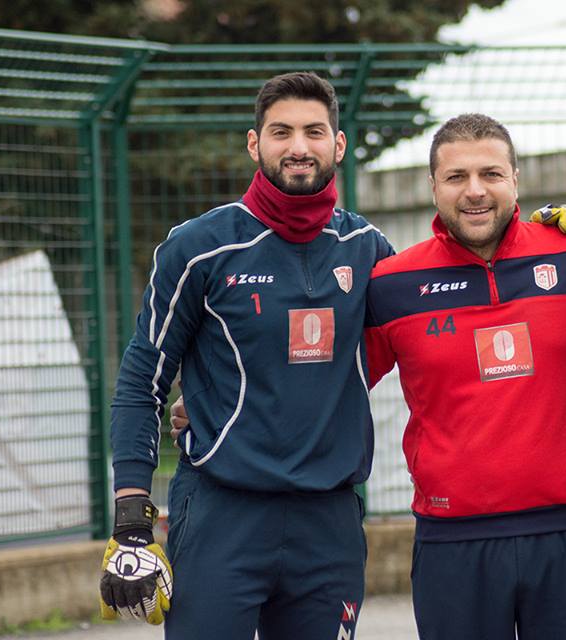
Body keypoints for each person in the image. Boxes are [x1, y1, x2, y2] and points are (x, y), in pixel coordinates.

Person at [99, 71, 394, 640]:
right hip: (221, 513)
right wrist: (132, 514)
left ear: (338, 145)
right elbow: (142, 380)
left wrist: (548, 244)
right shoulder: (198, 247)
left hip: (329, 521)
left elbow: (451, 304)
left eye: (314, 132)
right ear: (255, 144)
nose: (299, 147)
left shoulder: (369, 250)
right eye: (281, 132)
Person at [362, 113, 566, 640]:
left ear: (516, 180)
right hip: (451, 541)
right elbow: (330, 387)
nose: (475, 191)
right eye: (456, 177)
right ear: (433, 186)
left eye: (490, 174)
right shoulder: (392, 285)